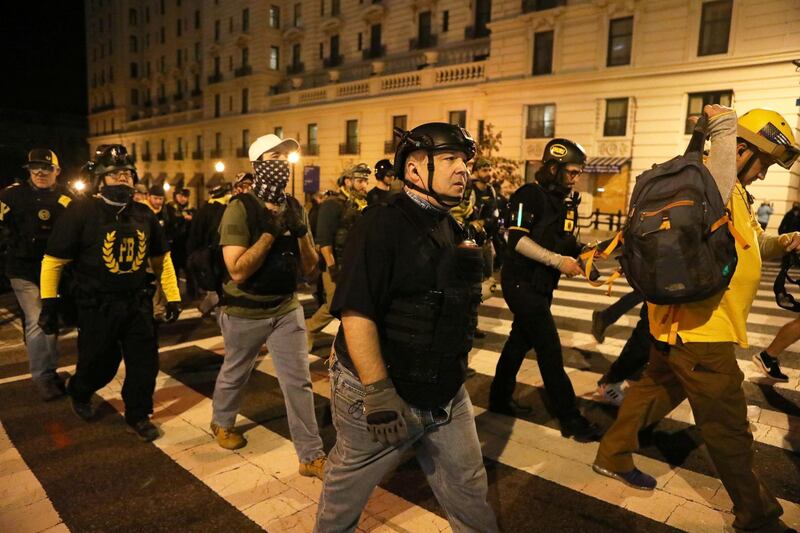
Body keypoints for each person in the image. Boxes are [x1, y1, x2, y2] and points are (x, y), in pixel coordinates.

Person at [593, 106, 800, 533]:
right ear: (740, 151)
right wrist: (722, 125)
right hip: (704, 331)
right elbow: (724, 141)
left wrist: (781, 242)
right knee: (728, 429)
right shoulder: (714, 182)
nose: (763, 174)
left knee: (653, 390)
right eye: (762, 163)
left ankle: (611, 455)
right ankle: (758, 516)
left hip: (675, 324)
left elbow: (747, 242)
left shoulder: (729, 192)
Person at [315, 122, 498, 532]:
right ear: (415, 170)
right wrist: (378, 392)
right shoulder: (380, 224)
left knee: (468, 483)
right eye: (450, 159)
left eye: (465, 161)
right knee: (348, 487)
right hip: (381, 388)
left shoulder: (453, 226)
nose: (463, 170)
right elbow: (356, 312)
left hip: (444, 389)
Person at [38, 144, 182, 441]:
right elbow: (53, 262)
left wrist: (173, 295)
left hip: (136, 304)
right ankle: (80, 390)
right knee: (99, 364)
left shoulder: (144, 214)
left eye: (127, 174)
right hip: (96, 306)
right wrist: (49, 305)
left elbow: (161, 259)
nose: (123, 180)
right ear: (99, 180)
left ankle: (138, 415)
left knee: (145, 364)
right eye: (115, 174)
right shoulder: (80, 212)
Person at [209, 134, 326, 480]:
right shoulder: (240, 208)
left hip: (285, 309)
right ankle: (222, 420)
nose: (283, 162)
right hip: (245, 310)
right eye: (276, 156)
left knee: (298, 382)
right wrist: (270, 233)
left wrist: (302, 233)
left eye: (286, 156)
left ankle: (310, 454)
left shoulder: (294, 205)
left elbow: (310, 270)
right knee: (236, 370)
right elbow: (237, 269)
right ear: (259, 164)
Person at [489, 138, 602, 442]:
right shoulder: (529, 195)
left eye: (578, 173)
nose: (575, 178)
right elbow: (517, 240)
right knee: (549, 351)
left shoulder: (562, 200)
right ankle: (571, 419)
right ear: (553, 167)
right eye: (572, 172)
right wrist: (558, 262)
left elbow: (563, 240)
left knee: (517, 342)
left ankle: (498, 398)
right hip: (521, 283)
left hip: (540, 285)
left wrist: (585, 251)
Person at [0, 149, 74, 400]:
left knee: (49, 319)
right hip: (23, 269)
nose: (40, 172)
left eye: (46, 167)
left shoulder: (68, 197)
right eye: (34, 167)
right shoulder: (12, 196)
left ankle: (49, 371)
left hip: (55, 271)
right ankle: (43, 376)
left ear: (57, 170)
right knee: (37, 319)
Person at [305, 164, 370, 349]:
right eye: (360, 181)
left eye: (366, 180)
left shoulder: (361, 205)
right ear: (348, 181)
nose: (364, 185)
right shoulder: (332, 204)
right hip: (335, 263)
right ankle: (309, 329)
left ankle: (348, 340)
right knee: (335, 302)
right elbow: (324, 240)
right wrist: (333, 268)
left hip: (354, 263)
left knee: (353, 304)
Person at [186, 176, 232, 317]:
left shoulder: (202, 211)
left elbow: (194, 235)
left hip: (205, 255)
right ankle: (219, 317)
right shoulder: (226, 210)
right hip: (221, 255)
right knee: (221, 290)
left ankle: (209, 308)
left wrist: (192, 253)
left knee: (214, 288)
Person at [163, 186, 194, 298]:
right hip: (174, 245)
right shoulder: (170, 207)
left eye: (185, 196)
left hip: (186, 246)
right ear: (175, 196)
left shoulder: (191, 209)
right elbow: (169, 223)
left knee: (189, 271)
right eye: (180, 196)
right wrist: (182, 219)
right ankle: (174, 296)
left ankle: (192, 295)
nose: (182, 199)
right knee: (174, 271)